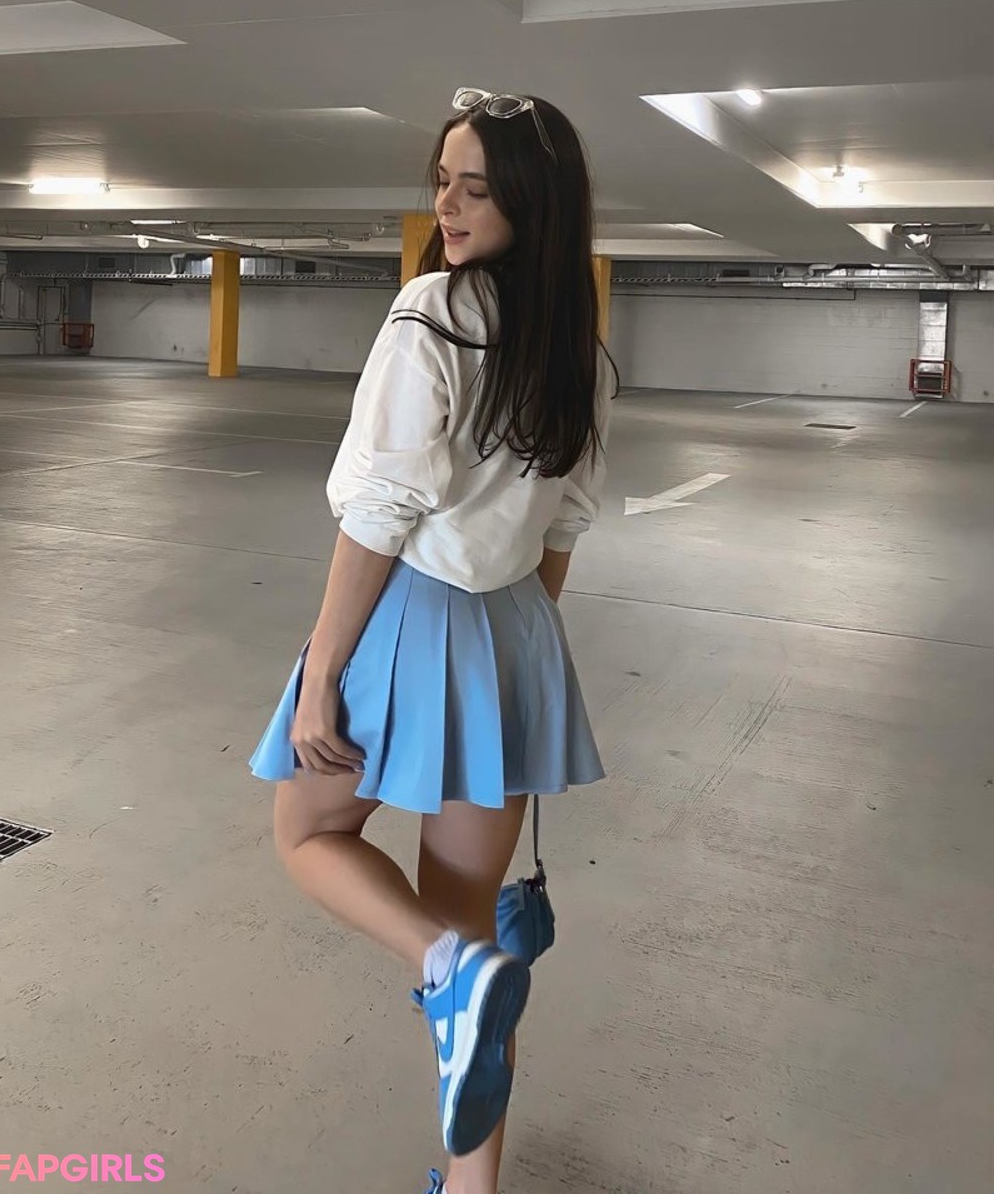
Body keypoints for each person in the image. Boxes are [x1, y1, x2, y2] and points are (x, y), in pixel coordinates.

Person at [249, 86, 616, 1194]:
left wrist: (324, 670)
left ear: (531, 202)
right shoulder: (580, 351)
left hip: (414, 605)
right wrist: (518, 656)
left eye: (476, 188)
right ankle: (472, 1184)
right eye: (442, 182)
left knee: (309, 833)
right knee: (468, 920)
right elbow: (563, 529)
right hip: (515, 623)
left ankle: (446, 968)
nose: (447, 207)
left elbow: (381, 510)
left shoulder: (435, 313)